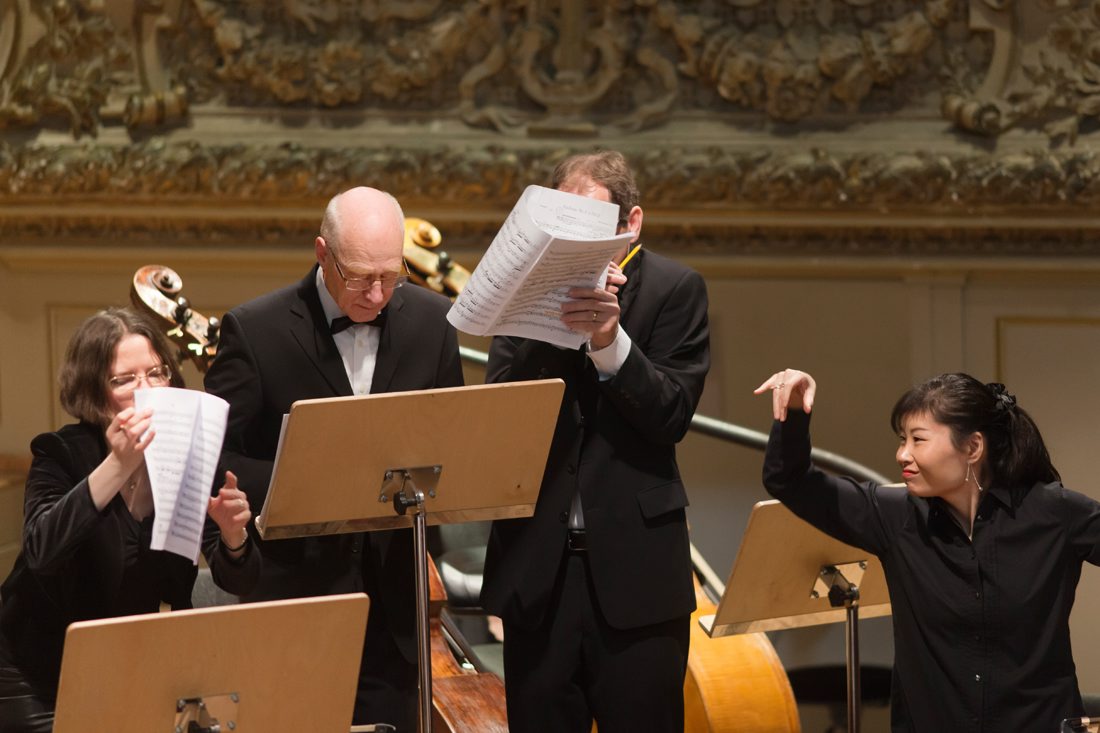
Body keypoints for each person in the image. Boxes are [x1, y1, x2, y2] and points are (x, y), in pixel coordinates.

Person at [204, 186, 463, 730]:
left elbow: (448, 444)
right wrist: (312, 477)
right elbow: (214, 456)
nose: (376, 295)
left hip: (398, 609)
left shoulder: (433, 322)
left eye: (391, 277)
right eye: (361, 277)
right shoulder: (255, 331)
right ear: (322, 254)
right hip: (295, 602)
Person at [479, 150, 711, 733]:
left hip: (637, 573)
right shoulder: (520, 286)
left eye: (590, 226)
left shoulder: (674, 289)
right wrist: (555, 325)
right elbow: (502, 413)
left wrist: (608, 341)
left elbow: (670, 415)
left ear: (630, 224)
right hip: (539, 573)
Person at [755, 368, 1100, 731]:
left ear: (972, 447)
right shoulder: (893, 517)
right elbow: (789, 481)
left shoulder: (1053, 512)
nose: (902, 454)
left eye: (918, 440)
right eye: (902, 439)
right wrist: (794, 413)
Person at [0, 307, 259, 733]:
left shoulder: (188, 451)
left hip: (134, 667)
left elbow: (242, 581)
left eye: (157, 374)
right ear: (95, 393)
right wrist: (117, 467)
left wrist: (234, 537)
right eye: (125, 380)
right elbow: (41, 551)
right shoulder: (61, 453)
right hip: (40, 676)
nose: (147, 391)